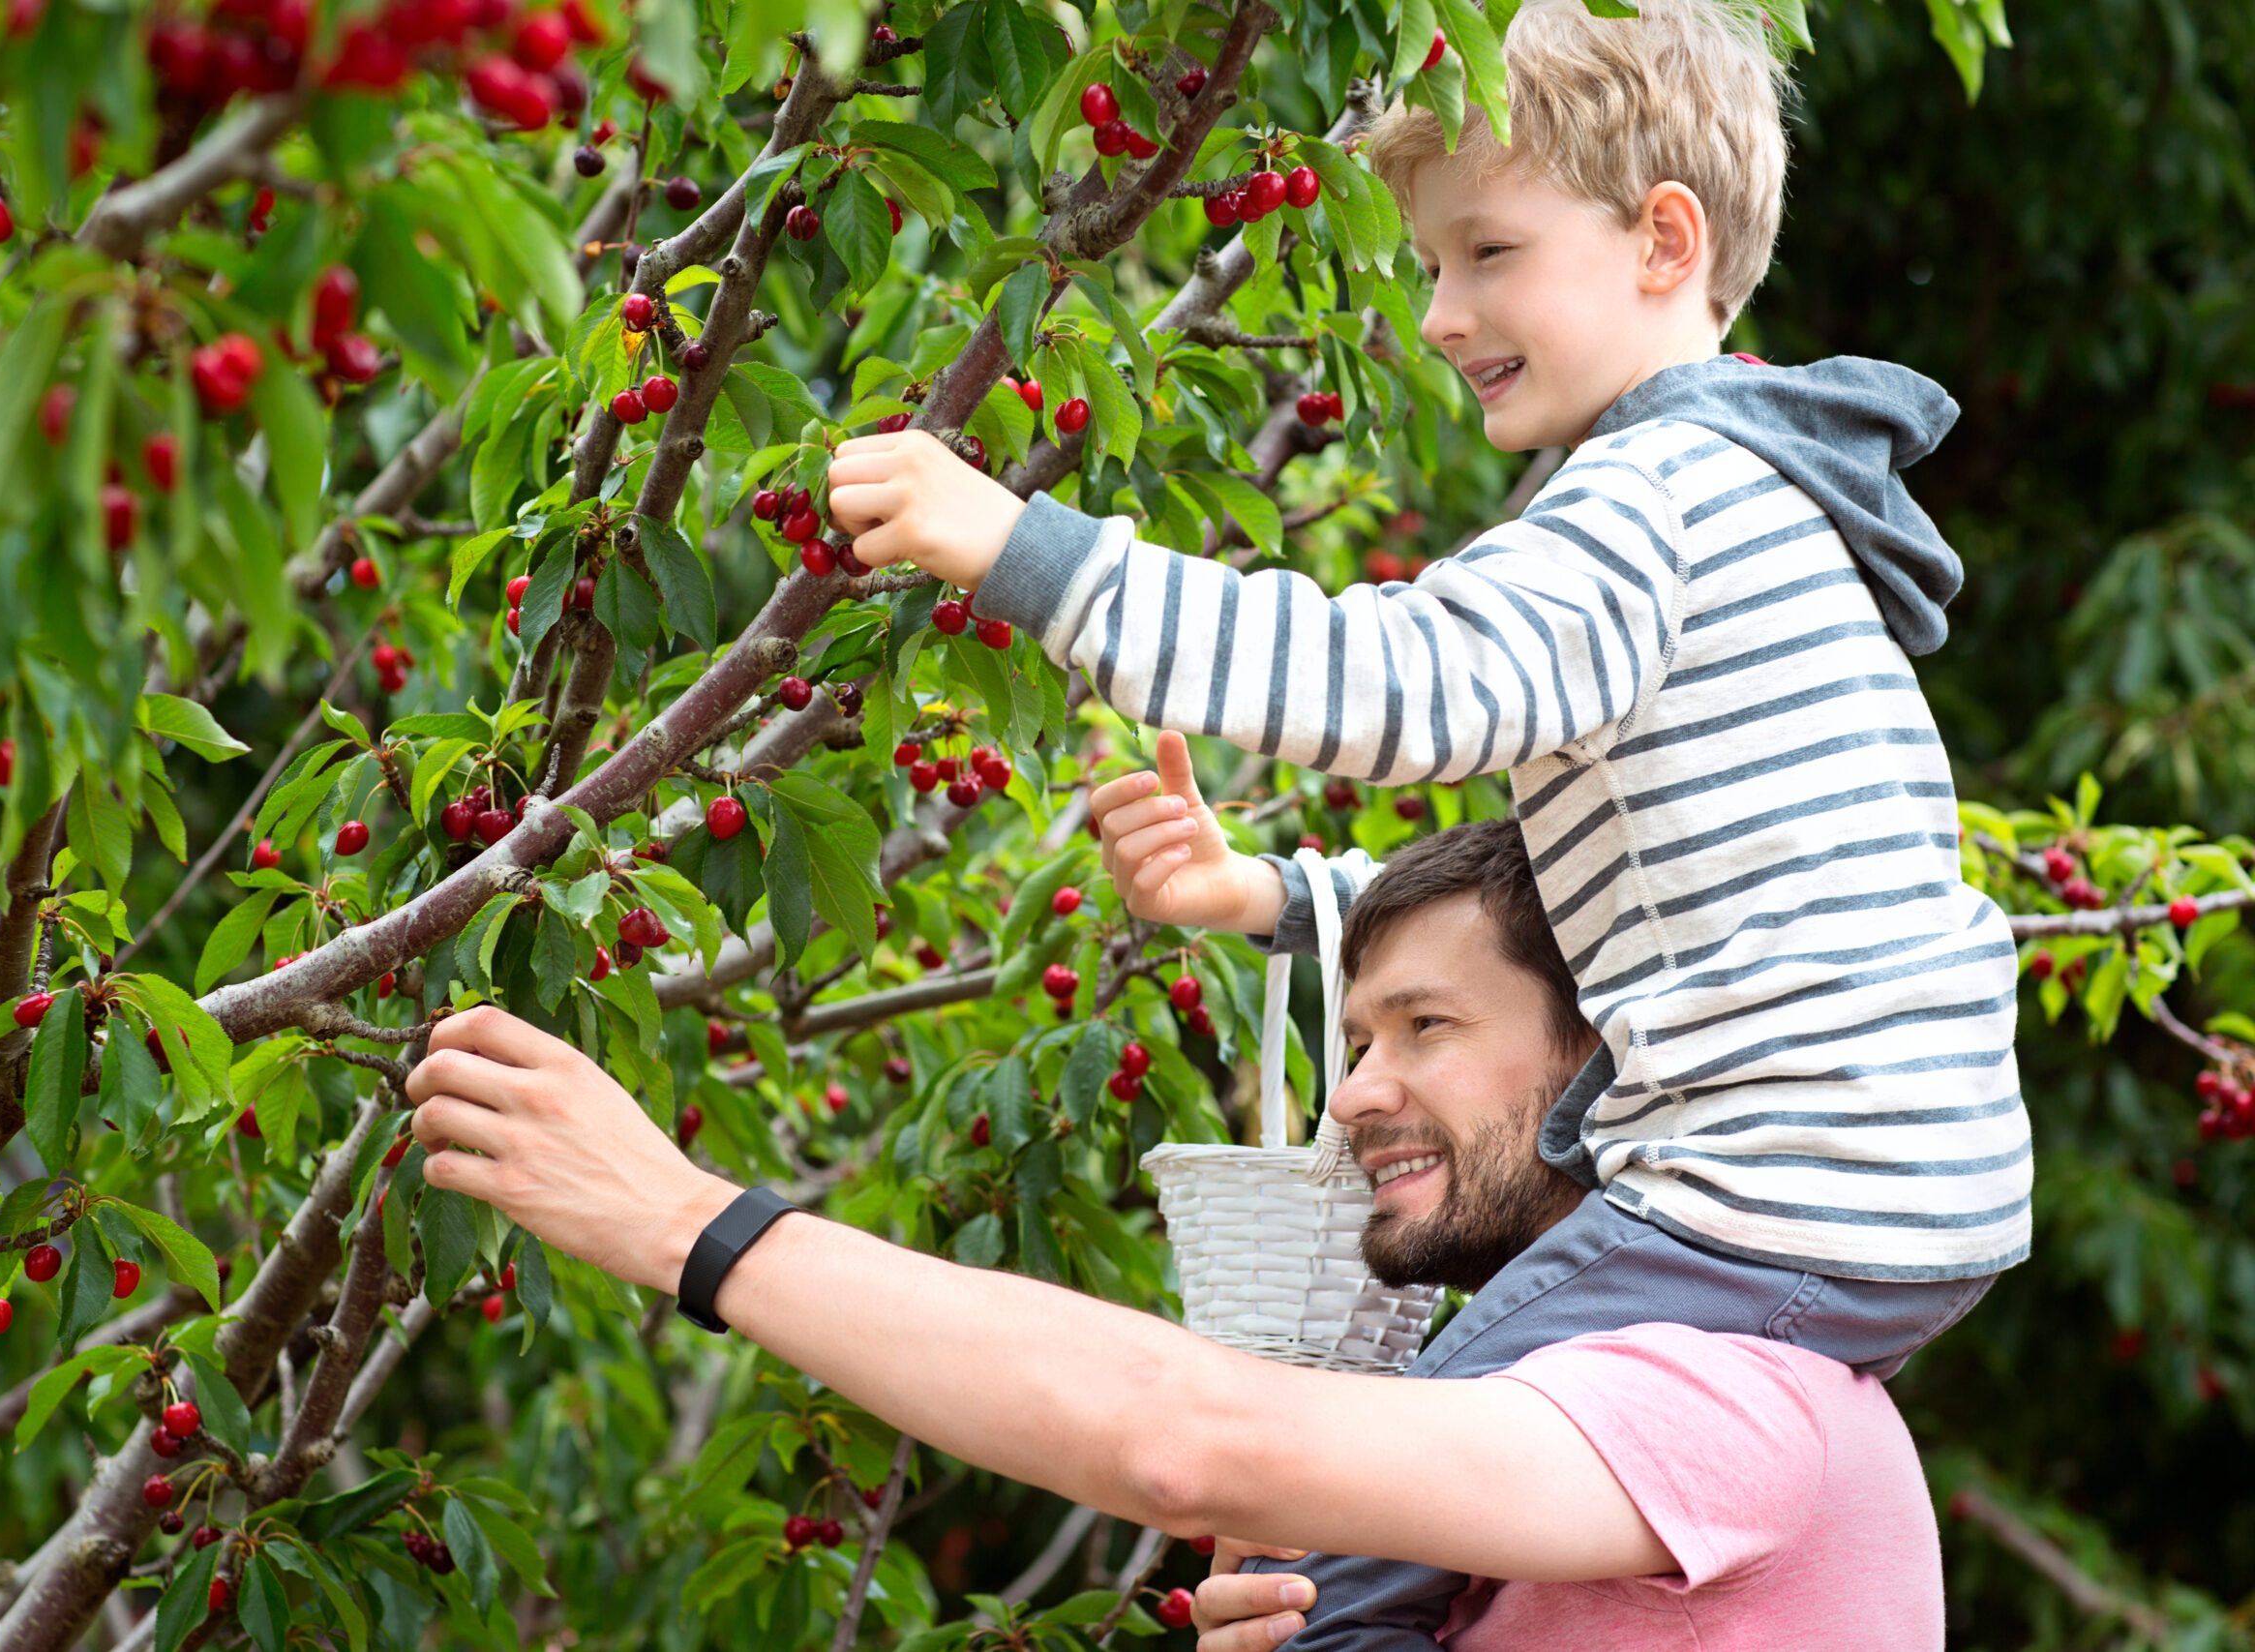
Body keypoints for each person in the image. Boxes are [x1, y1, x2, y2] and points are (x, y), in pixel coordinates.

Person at [827, 0, 2025, 1635]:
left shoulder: (1651, 506)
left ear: (1663, 240)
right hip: (1888, 1197)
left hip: (1770, 1195)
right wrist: (1282, 900)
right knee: (1408, 1515)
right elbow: (1567, 889)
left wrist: (1030, 553)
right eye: (1433, 268)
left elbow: (1393, 678)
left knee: (1359, 1492)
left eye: (1488, 253)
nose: (1445, 315)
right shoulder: (1754, 507)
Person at [406, 821, 1948, 1648]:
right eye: (1354, 1038)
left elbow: (1182, 1438)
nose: (1356, 1097)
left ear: (1607, 1058)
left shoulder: (1744, 1392)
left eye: (1425, 1028)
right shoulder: (1532, 1427)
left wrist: (687, 1220)